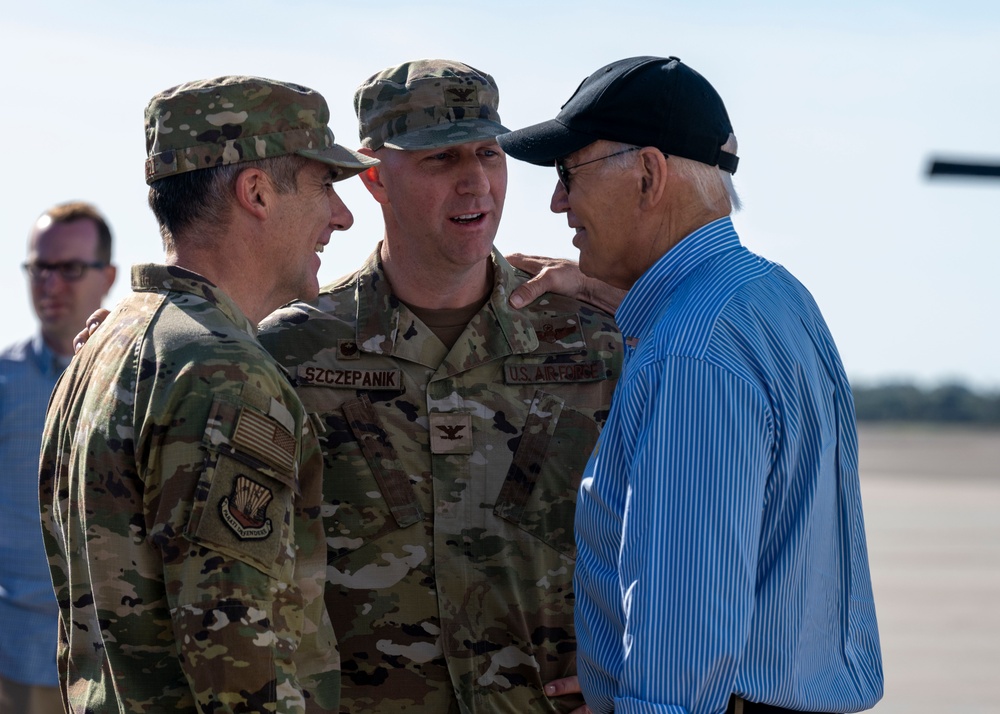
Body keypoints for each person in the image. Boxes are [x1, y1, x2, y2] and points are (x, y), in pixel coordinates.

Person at [497, 56, 883, 714]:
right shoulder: (773, 297)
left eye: (568, 173)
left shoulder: (691, 355)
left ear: (648, 174)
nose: (558, 200)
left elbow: (684, 628)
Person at [258, 59, 622, 713]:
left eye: (490, 152)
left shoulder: (592, 343)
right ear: (373, 177)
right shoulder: (294, 351)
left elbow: (668, 536)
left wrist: (639, 675)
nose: (476, 181)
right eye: (440, 159)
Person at [38, 76, 378, 714]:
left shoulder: (108, 345)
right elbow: (235, 657)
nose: (343, 215)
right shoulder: (223, 371)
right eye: (324, 185)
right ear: (256, 193)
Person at [0, 202, 116, 714]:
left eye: (70, 268)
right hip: (18, 660)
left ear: (108, 276)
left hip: (120, 670)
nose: (50, 283)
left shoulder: (135, 380)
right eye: (39, 267)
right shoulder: (5, 383)